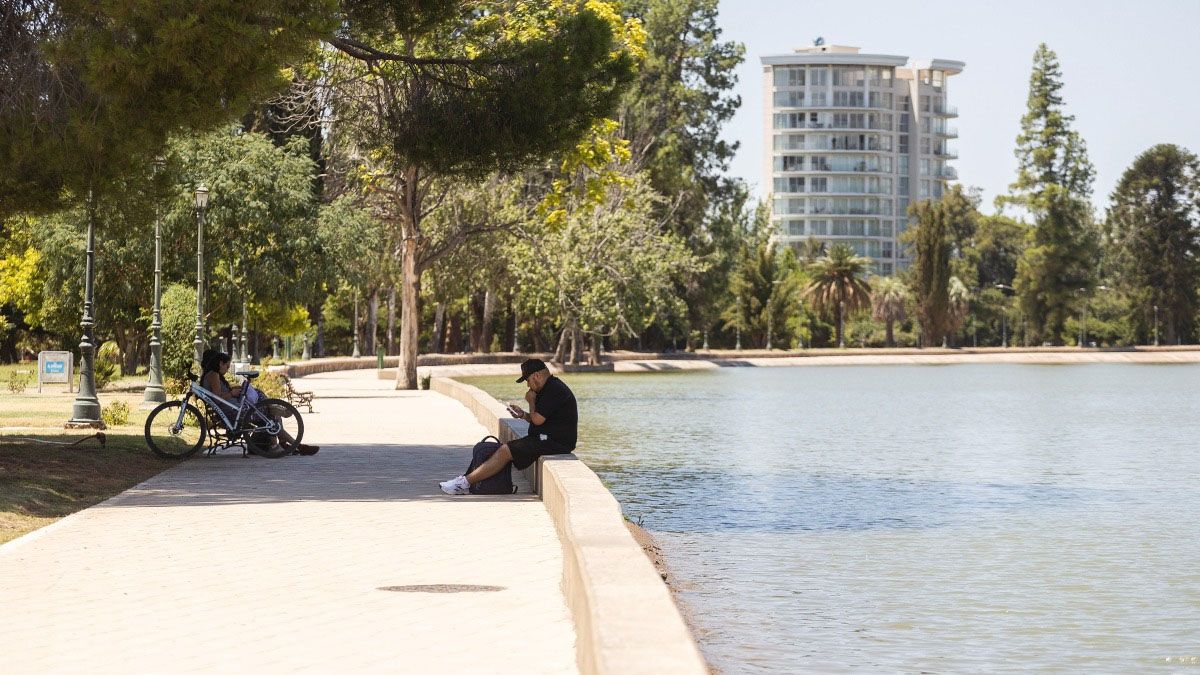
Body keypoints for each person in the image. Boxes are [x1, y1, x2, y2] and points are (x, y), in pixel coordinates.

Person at [440, 358, 576, 495]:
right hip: (544, 439)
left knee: (506, 450)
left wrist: (531, 401)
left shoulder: (554, 390)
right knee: (501, 449)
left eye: (528, 380)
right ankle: (467, 481)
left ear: (536, 375)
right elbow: (539, 419)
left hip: (556, 442)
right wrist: (522, 415)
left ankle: (462, 483)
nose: (528, 386)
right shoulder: (547, 388)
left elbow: (538, 420)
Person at [199, 349, 318, 455]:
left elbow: (218, 394)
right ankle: (289, 443)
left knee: (263, 403)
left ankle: (288, 442)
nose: (227, 369)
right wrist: (231, 393)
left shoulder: (211, 375)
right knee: (271, 415)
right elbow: (217, 397)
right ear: (219, 363)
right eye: (227, 366)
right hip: (234, 412)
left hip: (234, 409)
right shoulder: (213, 375)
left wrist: (234, 390)